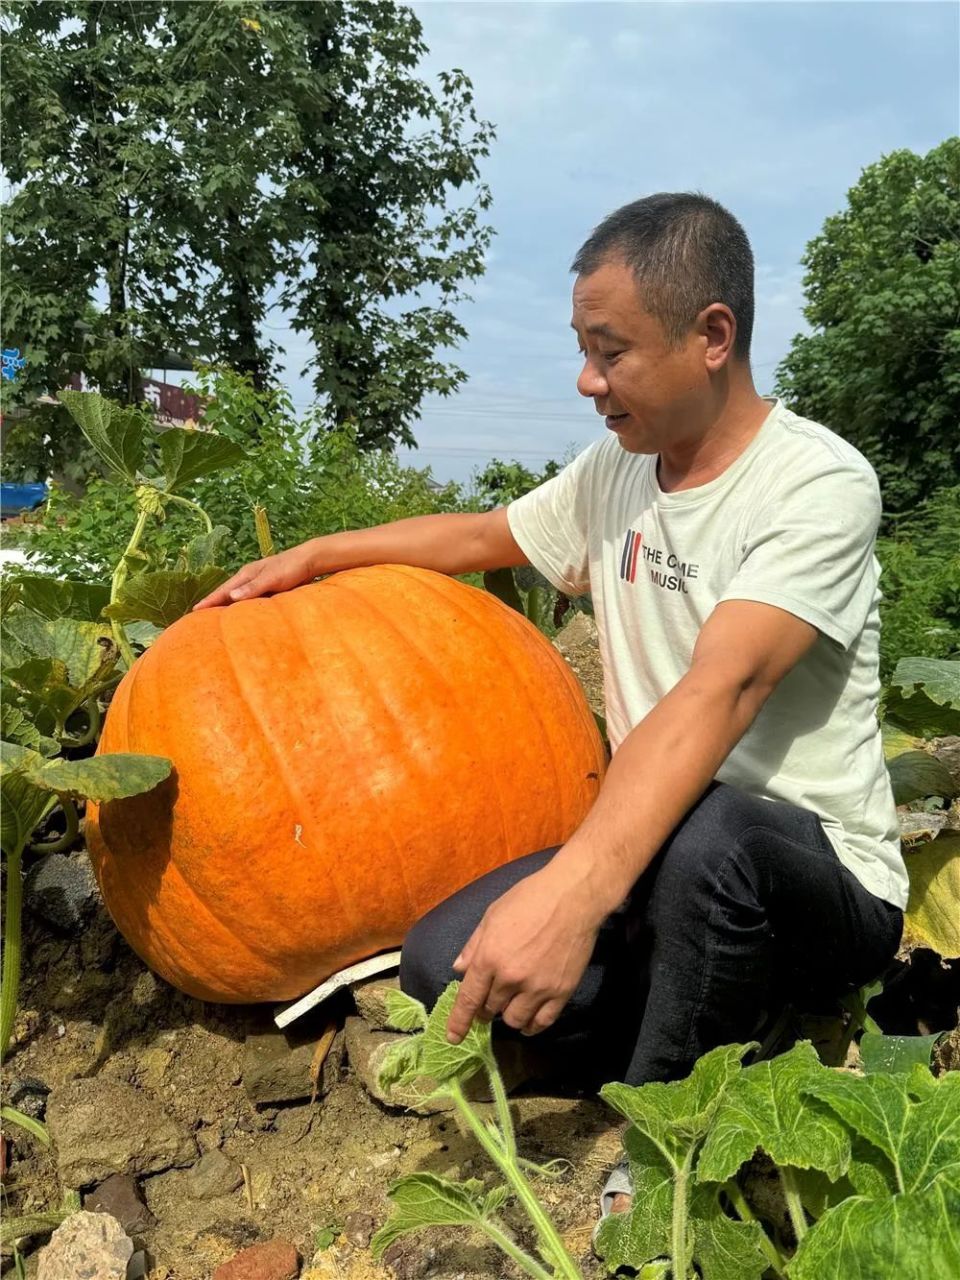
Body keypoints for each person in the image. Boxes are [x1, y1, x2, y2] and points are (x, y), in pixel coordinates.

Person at [195, 193, 905, 1223]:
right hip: (665, 847)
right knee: (448, 959)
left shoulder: (817, 483)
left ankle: (666, 1151)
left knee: (714, 836)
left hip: (818, 874)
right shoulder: (615, 471)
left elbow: (725, 687)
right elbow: (483, 535)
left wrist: (574, 897)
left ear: (713, 335)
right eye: (581, 348)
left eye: (609, 351)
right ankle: (713, 1012)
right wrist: (315, 553)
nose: (587, 380)